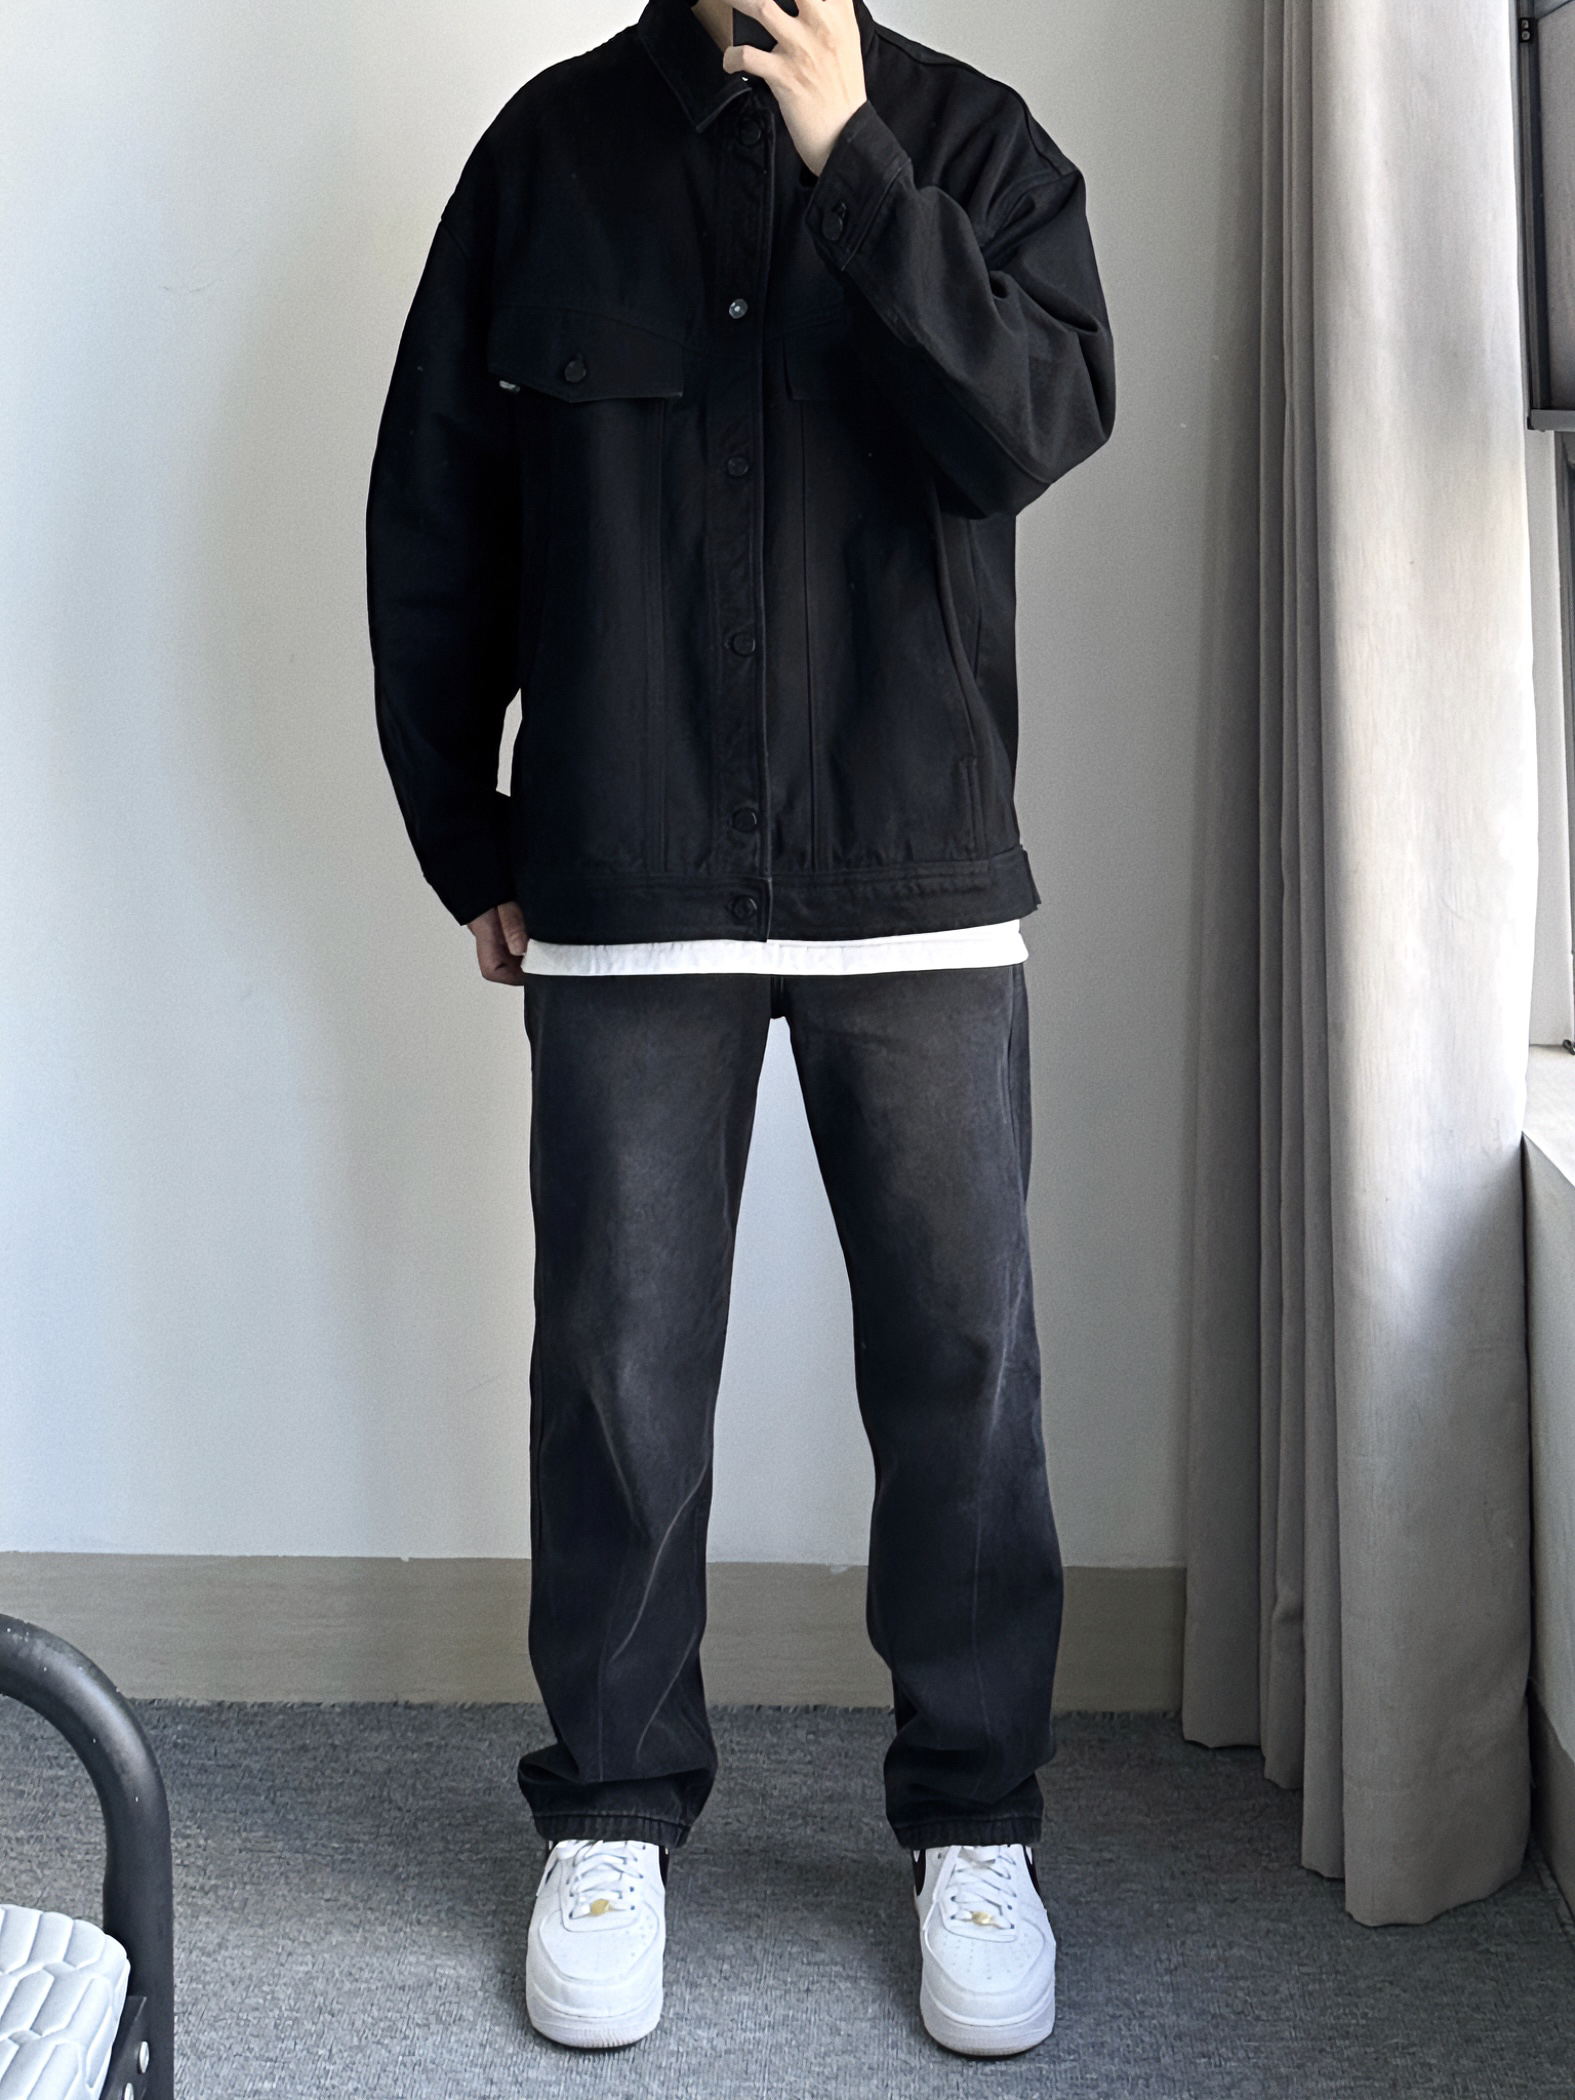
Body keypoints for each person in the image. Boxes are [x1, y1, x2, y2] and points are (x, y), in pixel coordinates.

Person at [367, 0, 1113, 2059]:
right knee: (616, 1378)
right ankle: (610, 1811)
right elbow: (435, 511)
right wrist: (467, 832)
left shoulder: (974, 147)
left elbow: (1031, 428)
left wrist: (856, 167)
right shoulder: (545, 154)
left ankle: (975, 1823)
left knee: (963, 1369)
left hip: (917, 867)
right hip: (628, 869)